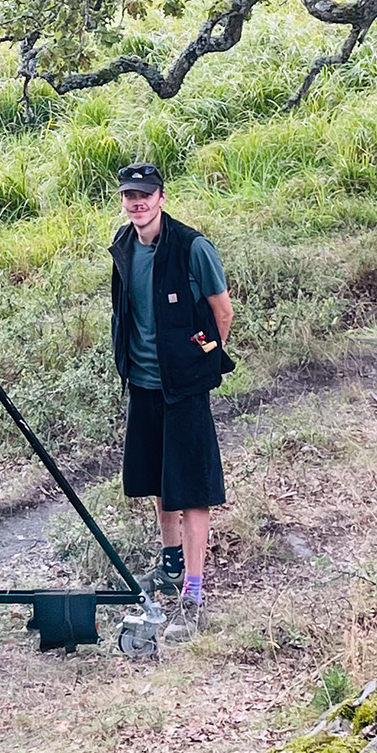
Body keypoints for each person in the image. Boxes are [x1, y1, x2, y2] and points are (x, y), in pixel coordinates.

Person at [108, 161, 234, 628]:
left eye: (144, 194)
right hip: (141, 382)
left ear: (162, 196)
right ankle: (170, 562)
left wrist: (199, 362)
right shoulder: (123, 245)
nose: (136, 202)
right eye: (129, 196)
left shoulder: (192, 247)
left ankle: (195, 589)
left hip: (183, 387)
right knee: (159, 481)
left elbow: (222, 312)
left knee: (192, 487)